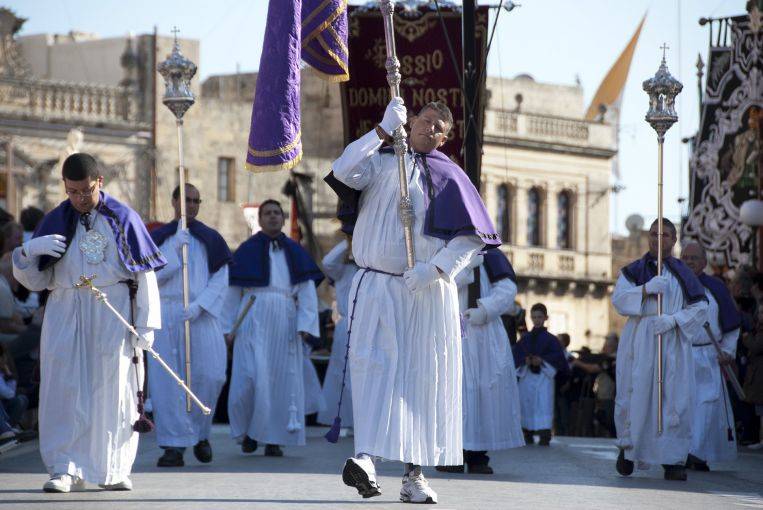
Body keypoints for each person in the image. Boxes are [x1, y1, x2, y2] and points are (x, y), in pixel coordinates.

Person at [326, 98, 497, 504]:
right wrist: (381, 131)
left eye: (440, 127)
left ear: (445, 137)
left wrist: (435, 270)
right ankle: (365, 457)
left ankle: (413, 475)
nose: (431, 129)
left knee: (423, 379)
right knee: (375, 368)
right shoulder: (381, 161)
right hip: (376, 284)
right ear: (412, 121)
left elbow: (470, 238)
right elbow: (342, 170)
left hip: (424, 290)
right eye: (425, 120)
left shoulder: (450, 175)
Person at [11, 153, 165, 492]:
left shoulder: (123, 218)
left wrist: (147, 324)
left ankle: (113, 467)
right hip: (66, 309)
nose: (81, 198)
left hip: (112, 310)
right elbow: (35, 282)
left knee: (112, 388)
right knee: (65, 387)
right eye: (73, 191)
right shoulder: (55, 220)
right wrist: (27, 253)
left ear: (100, 183)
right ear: (65, 188)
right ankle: (64, 467)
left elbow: (145, 275)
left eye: (87, 190)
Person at [224, 199, 322, 457]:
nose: (272, 217)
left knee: (279, 381)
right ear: (260, 218)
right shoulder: (247, 249)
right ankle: (248, 431)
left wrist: (305, 324)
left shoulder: (295, 251)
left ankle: (272, 439)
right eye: (267, 213)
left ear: (282, 217)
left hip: (284, 319)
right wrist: (228, 327)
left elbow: (307, 291)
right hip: (252, 314)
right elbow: (232, 291)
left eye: (276, 213)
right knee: (249, 378)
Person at [611, 218, 707, 481]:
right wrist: (644, 289)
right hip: (641, 339)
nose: (657, 239)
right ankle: (629, 451)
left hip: (671, 341)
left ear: (674, 240)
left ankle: (673, 459)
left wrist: (674, 320)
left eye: (664, 235)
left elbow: (701, 307)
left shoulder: (683, 273)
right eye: (653, 234)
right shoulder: (634, 271)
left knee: (672, 398)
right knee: (636, 392)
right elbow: (618, 301)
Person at [149, 184, 231, 467]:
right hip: (168, 312)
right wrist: (172, 251)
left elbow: (221, 277)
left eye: (197, 200)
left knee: (211, 375)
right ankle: (173, 445)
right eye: (186, 199)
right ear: (174, 201)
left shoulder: (210, 238)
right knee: (168, 381)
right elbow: (149, 277)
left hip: (201, 312)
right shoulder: (159, 237)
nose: (192, 205)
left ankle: (200, 433)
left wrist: (200, 306)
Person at [438, 248, 524, 474]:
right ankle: (451, 453)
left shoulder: (492, 255)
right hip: (452, 327)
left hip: (485, 334)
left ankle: (478, 456)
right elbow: (438, 284)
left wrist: (485, 310)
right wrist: (465, 267)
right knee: (452, 390)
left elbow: (507, 288)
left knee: (484, 391)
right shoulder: (445, 249)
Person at [681, 242, 741, 470]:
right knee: (682, 406)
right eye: (685, 257)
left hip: (707, 355)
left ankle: (697, 453)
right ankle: (682, 451)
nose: (689, 262)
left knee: (706, 406)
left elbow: (732, 326)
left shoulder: (715, 287)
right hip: (682, 354)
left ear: (704, 262)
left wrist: (727, 351)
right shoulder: (673, 286)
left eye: (694, 258)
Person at [512, 303, 569, 446]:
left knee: (543, 404)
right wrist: (526, 360)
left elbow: (557, 358)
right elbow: (517, 356)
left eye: (540, 317)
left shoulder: (552, 340)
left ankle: (544, 434)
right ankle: (527, 432)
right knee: (527, 403)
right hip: (527, 376)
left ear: (545, 318)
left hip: (544, 377)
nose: (537, 320)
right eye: (534, 317)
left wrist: (542, 361)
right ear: (531, 318)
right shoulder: (525, 338)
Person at [317, 237, 358, 431]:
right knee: (345, 374)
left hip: (374, 324)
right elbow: (327, 262)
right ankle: (346, 421)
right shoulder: (342, 267)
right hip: (348, 323)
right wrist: (349, 239)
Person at [743, 305, 763, 449]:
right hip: (757, 373)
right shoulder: (757, 328)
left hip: (760, 373)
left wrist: (746, 338)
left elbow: (756, 346)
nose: (759, 314)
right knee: (759, 409)